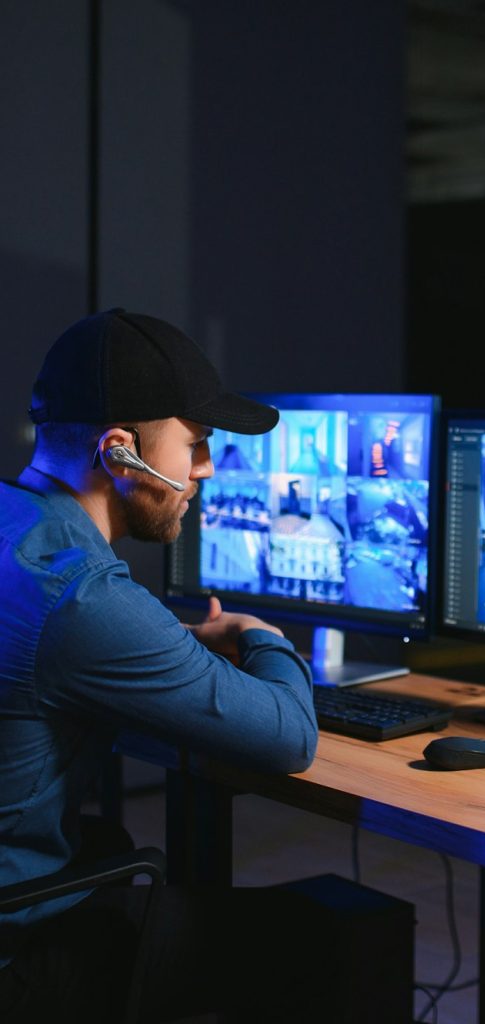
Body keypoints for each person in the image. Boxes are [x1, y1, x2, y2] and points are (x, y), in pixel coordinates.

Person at [0, 309, 354, 1021]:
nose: (206, 469)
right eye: (193, 444)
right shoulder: (85, 600)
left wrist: (160, 643)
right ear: (120, 451)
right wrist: (260, 635)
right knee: (333, 934)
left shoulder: (19, 528)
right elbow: (290, 736)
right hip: (20, 960)